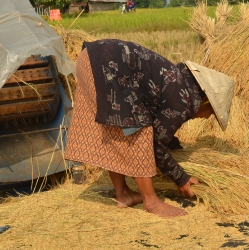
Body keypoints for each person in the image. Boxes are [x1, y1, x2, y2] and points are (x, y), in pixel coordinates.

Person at [65, 39, 234, 218]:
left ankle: (123, 194)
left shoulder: (180, 84)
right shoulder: (182, 100)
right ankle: (151, 202)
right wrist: (181, 179)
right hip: (105, 64)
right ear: (205, 100)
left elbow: (161, 128)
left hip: (92, 59)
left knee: (116, 128)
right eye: (211, 112)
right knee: (139, 132)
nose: (207, 117)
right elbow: (156, 143)